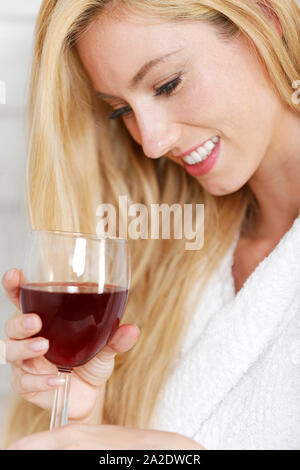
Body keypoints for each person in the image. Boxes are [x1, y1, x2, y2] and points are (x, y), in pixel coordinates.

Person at [1, 0, 300, 450]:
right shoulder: (167, 254)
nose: (153, 143)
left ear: (264, 20)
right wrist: (87, 417)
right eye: (122, 111)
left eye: (167, 84)